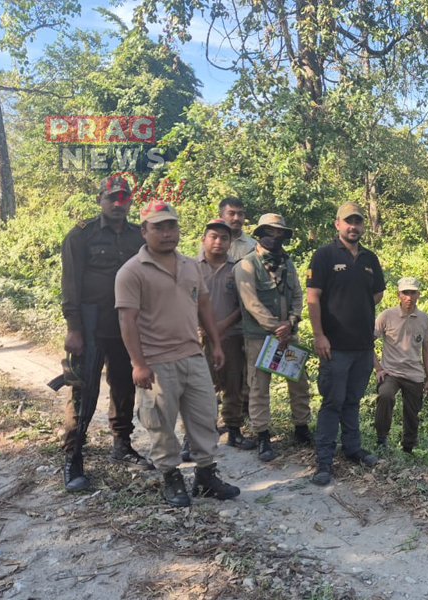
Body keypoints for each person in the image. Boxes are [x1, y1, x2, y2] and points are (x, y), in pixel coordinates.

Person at [115, 200, 240, 507]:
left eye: (172, 226)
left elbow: (204, 305)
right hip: (156, 361)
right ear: (144, 231)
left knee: (205, 417)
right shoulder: (131, 272)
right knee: (160, 423)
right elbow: (127, 321)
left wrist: (216, 344)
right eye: (159, 227)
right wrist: (138, 364)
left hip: (192, 354)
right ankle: (171, 477)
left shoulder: (189, 265)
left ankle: (206, 476)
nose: (167, 233)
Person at [60, 175, 150, 492]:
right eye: (112, 197)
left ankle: (122, 444)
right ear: (100, 199)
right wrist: (73, 328)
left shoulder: (139, 236)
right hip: (90, 325)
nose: (117, 203)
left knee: (124, 386)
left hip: (126, 326)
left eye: (124, 197)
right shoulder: (81, 235)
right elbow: (70, 284)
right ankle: (73, 457)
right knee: (83, 392)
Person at [307, 202, 385, 485]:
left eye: (358, 222)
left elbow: (377, 293)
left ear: (363, 225)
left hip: (362, 346)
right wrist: (319, 335)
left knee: (352, 400)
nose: (353, 226)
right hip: (335, 346)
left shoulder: (369, 258)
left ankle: (352, 448)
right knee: (332, 402)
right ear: (337, 224)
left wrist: (355, 307)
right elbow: (313, 297)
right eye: (348, 221)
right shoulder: (324, 255)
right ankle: (324, 461)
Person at [234, 213, 314, 463]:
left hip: (288, 334)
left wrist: (290, 322)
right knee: (259, 386)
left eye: (280, 233)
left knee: (299, 382)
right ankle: (262, 436)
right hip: (259, 337)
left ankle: (301, 427)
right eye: (270, 232)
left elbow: (298, 295)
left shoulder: (287, 263)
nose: (275, 237)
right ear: (260, 234)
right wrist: (275, 327)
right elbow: (251, 303)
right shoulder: (247, 265)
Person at [197, 218, 251, 452]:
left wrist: (222, 326)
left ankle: (234, 430)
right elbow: (186, 302)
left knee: (233, 384)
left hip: (231, 335)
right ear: (204, 239)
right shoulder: (192, 267)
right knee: (200, 387)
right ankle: (197, 435)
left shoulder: (238, 269)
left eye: (224, 238)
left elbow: (244, 304)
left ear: (230, 242)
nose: (218, 241)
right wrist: (208, 329)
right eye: (214, 236)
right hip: (199, 337)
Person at [373, 276, 428, 454]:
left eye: (412, 293)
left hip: (414, 373)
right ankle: (381, 440)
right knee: (385, 396)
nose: (409, 297)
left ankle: (408, 448)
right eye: (405, 293)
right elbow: (367, 342)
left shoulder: (424, 319)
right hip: (391, 371)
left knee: (412, 412)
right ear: (398, 294)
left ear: (418, 294)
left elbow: (426, 349)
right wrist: (378, 368)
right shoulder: (386, 316)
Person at [196, 196, 257, 261]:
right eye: (231, 214)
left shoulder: (254, 246)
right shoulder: (210, 243)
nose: (236, 218)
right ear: (221, 216)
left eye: (240, 214)